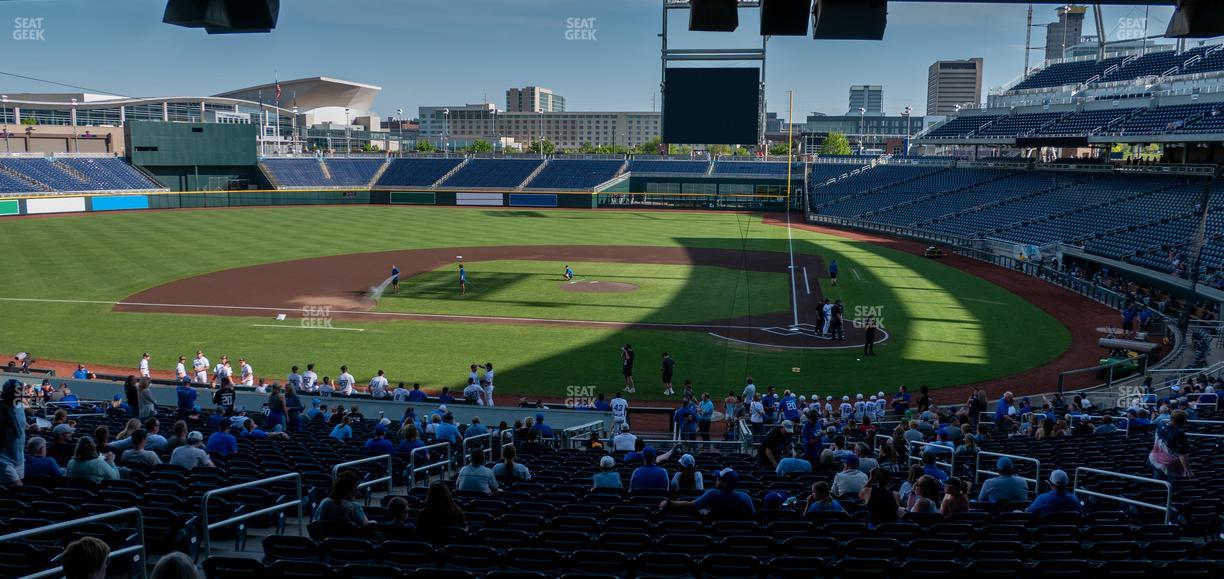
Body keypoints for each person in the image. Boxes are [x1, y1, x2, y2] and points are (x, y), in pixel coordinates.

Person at [658, 468, 754, 520]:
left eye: (719, 478)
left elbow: (690, 505)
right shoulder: (745, 497)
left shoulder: (712, 494)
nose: (716, 479)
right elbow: (752, 516)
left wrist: (669, 503)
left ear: (725, 483)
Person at [1149, 409, 1192, 480]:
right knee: (1171, 485)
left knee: (1157, 484)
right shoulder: (1179, 434)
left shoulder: (1161, 424)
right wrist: (1188, 470)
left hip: (1154, 459)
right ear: (1182, 422)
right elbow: (1182, 454)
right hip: (1169, 464)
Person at [0, 379, 28, 486]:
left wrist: (30, 426)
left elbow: (21, 423)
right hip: (4, 460)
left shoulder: (19, 406)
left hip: (19, 458)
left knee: (14, 496)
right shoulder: (2, 410)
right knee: (17, 489)